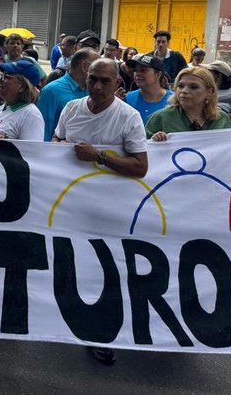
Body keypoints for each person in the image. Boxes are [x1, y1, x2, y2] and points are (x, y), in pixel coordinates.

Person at [52, 57, 149, 367]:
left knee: (105, 272)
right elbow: (56, 140)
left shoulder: (128, 116)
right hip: (70, 206)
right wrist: (58, 146)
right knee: (72, 267)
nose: (96, 86)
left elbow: (141, 166)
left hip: (111, 211)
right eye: (92, 79)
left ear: (117, 83)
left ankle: (101, 336)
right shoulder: (71, 108)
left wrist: (99, 157)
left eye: (105, 81)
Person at [146, 67, 231, 140]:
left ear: (209, 92)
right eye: (180, 86)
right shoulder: (161, 117)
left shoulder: (222, 119)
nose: (184, 91)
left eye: (193, 87)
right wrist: (153, 141)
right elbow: (143, 149)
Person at [36, 48, 98, 141]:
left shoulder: (94, 90)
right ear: (85, 67)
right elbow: (43, 133)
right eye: (97, 65)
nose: (101, 70)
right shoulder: (51, 91)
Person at [0, 64, 44, 141]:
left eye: (7, 77)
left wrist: (0, 139)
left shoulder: (31, 115)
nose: (0, 80)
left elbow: (32, 148)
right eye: (2, 75)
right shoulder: (5, 108)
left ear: (22, 87)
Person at [123, 54, 172, 124]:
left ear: (158, 74)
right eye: (135, 70)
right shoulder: (128, 99)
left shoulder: (173, 100)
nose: (137, 74)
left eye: (143, 70)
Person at [204, 60, 231, 126]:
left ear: (218, 76)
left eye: (209, 73)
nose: (206, 75)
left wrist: (213, 117)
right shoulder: (205, 89)